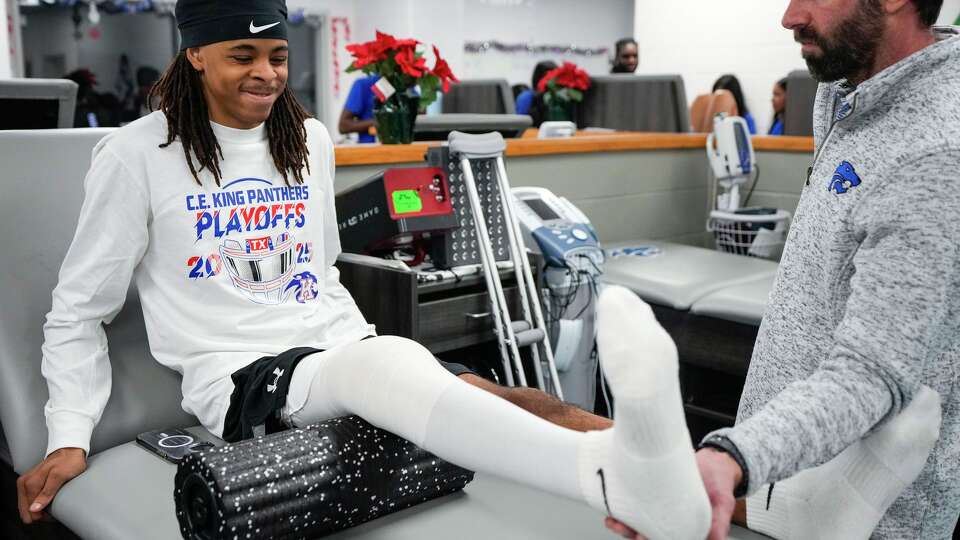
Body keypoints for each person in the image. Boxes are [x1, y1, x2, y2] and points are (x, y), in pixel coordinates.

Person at [16, 2, 715, 538]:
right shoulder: (139, 154)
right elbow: (78, 311)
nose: (266, 73)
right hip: (243, 379)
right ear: (195, 54)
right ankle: (613, 484)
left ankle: (680, 470)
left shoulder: (307, 139)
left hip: (336, 350)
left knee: (515, 398)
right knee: (394, 368)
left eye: (279, 55)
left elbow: (320, 275)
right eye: (243, 55)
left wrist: (366, 347)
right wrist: (68, 435)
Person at [607, 1, 959, 539]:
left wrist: (734, 456)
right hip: (783, 477)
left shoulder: (935, 149)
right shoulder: (846, 89)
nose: (790, 16)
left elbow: (874, 371)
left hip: (866, 515)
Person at [338, 73, 379, 143]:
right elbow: (343, 126)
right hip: (370, 149)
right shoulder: (365, 84)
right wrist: (380, 122)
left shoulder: (402, 84)